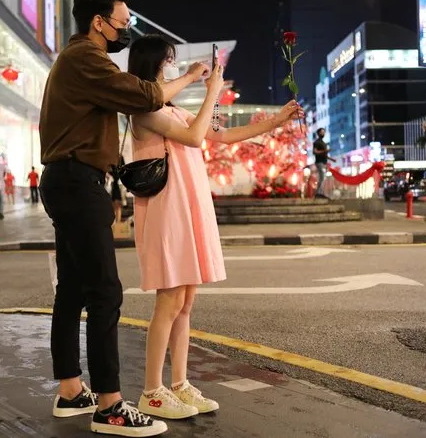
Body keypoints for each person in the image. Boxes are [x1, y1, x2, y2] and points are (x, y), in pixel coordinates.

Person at [37, 0, 209, 437]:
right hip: (76, 181)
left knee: (74, 289)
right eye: (123, 19)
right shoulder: (85, 59)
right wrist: (191, 77)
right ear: (99, 22)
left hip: (69, 179)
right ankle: (111, 406)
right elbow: (144, 95)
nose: (126, 28)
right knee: (105, 292)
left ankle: (73, 391)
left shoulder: (78, 62)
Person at [127, 35, 304, 420]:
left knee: (185, 302)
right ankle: (151, 391)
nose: (173, 66)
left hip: (186, 206)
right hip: (166, 209)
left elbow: (219, 135)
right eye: (168, 61)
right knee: (169, 300)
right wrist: (208, 88)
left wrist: (275, 120)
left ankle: (178, 384)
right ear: (153, 65)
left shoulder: (170, 111)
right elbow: (194, 137)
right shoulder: (143, 109)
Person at [313, 128, 334, 199]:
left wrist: (331, 159)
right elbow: (315, 152)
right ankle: (318, 193)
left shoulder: (323, 143)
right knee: (322, 177)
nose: (323, 133)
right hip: (319, 162)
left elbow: (324, 154)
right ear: (318, 133)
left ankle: (320, 193)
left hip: (324, 162)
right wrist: (325, 150)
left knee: (323, 177)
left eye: (324, 132)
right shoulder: (317, 142)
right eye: (322, 132)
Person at [109, 155, 125, 223]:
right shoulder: (110, 156)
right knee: (112, 205)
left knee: (117, 204)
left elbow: (123, 169)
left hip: (117, 183)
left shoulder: (120, 157)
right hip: (111, 183)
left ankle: (117, 223)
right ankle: (115, 223)